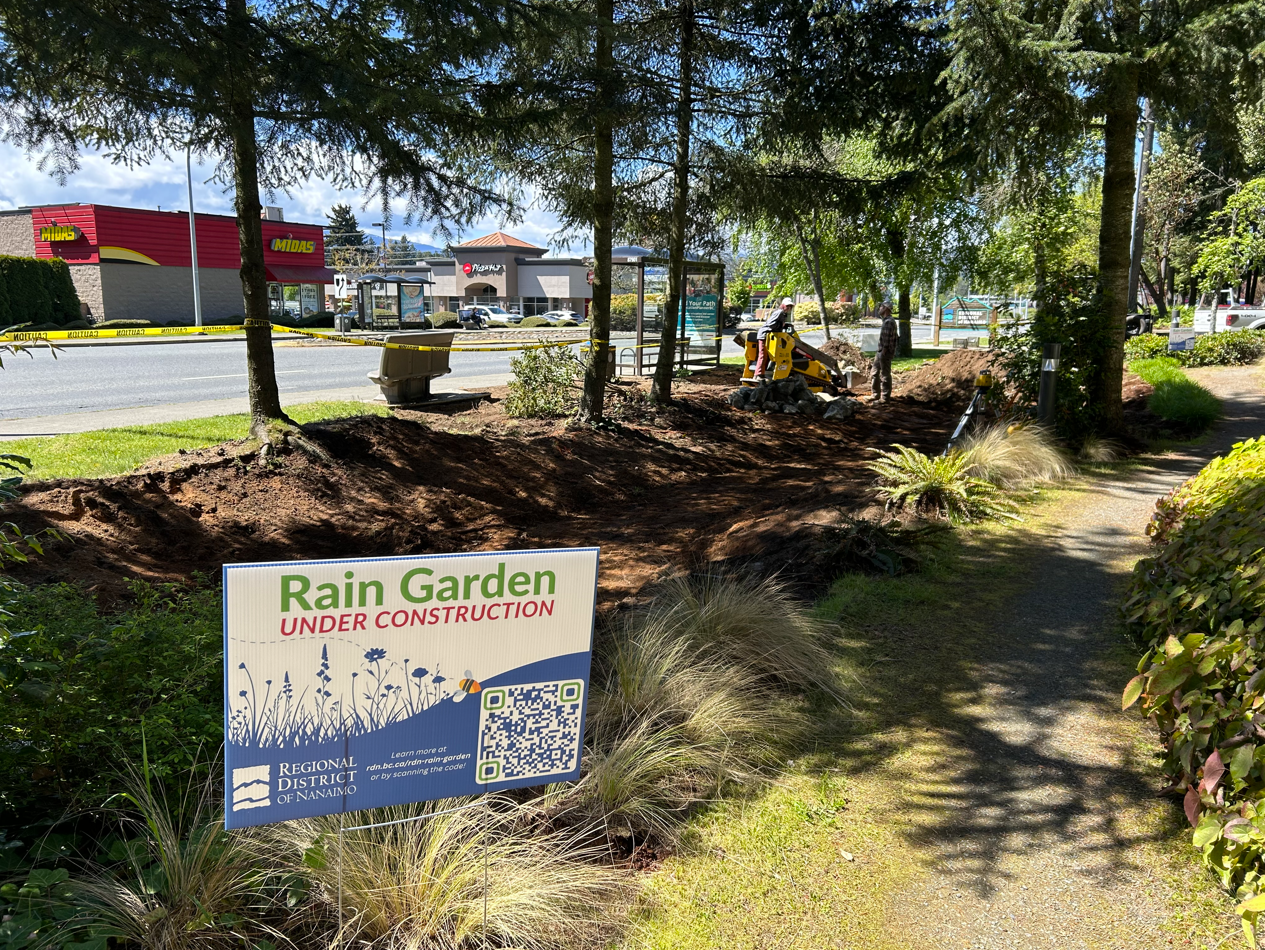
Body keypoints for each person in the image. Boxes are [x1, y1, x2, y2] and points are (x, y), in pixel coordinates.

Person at [753, 296, 794, 380]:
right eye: (787, 306)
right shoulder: (779, 312)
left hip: (769, 336)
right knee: (762, 355)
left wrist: (785, 325)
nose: (789, 308)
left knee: (768, 356)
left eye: (790, 306)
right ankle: (758, 375)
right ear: (783, 305)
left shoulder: (783, 313)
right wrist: (781, 326)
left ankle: (762, 374)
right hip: (764, 335)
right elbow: (770, 324)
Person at [872, 303, 897, 403]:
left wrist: (883, 352)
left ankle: (885, 398)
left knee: (885, 374)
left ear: (886, 309)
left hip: (884, 352)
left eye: (881, 307)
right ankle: (875, 394)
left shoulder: (889, 322)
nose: (879, 309)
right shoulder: (886, 321)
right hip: (880, 351)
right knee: (874, 372)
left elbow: (887, 340)